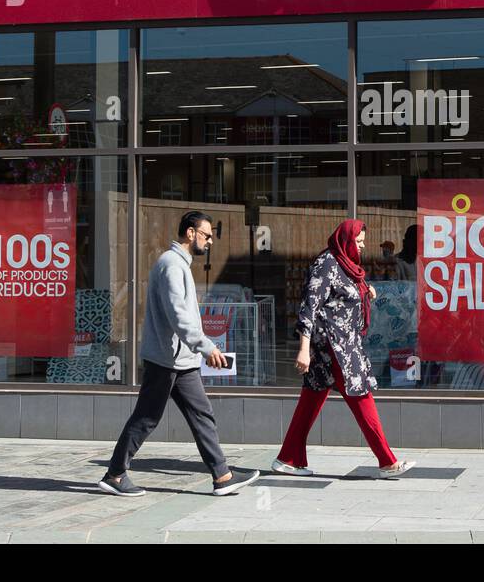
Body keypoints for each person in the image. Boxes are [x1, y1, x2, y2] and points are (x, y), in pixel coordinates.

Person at [99, 211, 259, 497]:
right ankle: (115, 474)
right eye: (206, 235)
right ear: (190, 233)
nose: (210, 241)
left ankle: (222, 475)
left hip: (180, 360)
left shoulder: (178, 264)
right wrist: (206, 347)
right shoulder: (172, 265)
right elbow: (179, 317)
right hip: (166, 360)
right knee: (146, 418)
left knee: (202, 415)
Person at [273, 219, 413, 478]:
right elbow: (309, 306)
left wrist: (366, 291)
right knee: (360, 396)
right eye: (357, 242)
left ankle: (288, 458)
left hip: (344, 342)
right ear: (345, 240)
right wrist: (303, 348)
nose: (360, 248)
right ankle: (386, 461)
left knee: (312, 399)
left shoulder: (345, 264)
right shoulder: (325, 264)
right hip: (334, 345)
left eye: (362, 243)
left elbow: (347, 290)